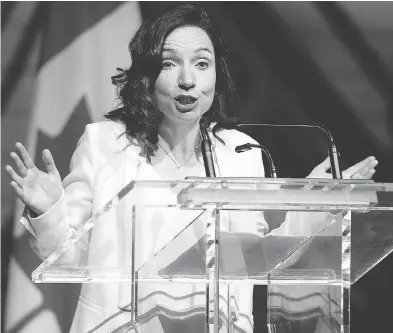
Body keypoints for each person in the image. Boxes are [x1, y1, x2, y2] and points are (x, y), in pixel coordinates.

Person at [6, 4, 378, 333]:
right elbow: (70, 257)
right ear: (148, 75)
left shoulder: (241, 153)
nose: (188, 79)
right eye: (170, 63)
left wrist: (312, 205)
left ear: (217, 75)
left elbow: (258, 257)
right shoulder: (105, 144)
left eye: (202, 63)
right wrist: (49, 208)